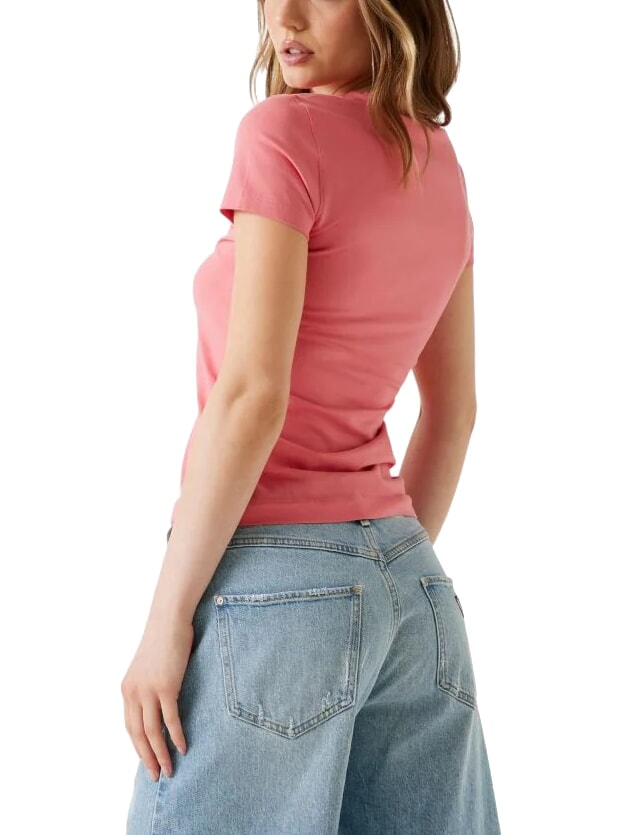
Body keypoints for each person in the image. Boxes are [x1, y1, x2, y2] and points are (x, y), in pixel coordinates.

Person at [122, 0, 501, 832]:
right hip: (415, 591)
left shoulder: (281, 134)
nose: (284, 18)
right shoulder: (440, 162)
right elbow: (456, 411)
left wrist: (164, 622)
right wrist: (372, 581)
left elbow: (253, 395)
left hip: (271, 589)